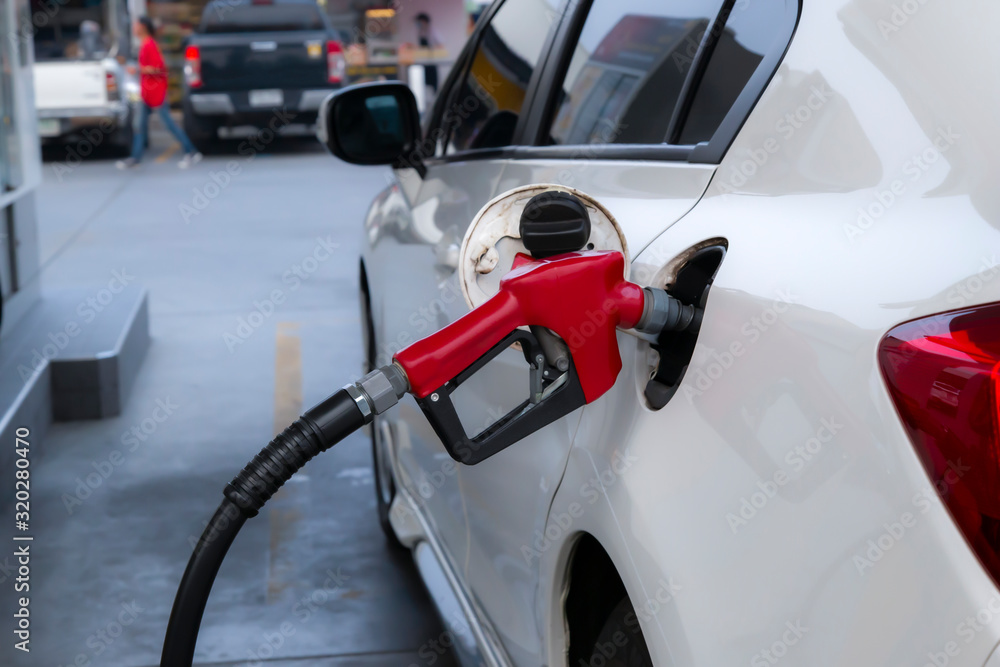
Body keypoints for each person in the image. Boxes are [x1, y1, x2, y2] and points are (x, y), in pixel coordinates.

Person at [117, 17, 202, 169]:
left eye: (137, 25)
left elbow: (159, 67)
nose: (134, 28)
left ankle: (191, 151)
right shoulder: (145, 44)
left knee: (168, 123)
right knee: (139, 125)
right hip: (146, 93)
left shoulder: (150, 45)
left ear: (143, 27)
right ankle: (135, 157)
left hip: (156, 91)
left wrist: (137, 69)